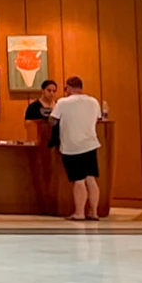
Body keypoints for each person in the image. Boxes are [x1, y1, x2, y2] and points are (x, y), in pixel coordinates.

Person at [51, 76, 106, 221]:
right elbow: (98, 119)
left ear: (68, 88)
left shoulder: (62, 102)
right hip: (90, 143)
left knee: (79, 181)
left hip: (72, 146)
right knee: (91, 179)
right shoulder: (93, 101)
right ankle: (93, 212)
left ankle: (79, 213)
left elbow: (52, 120)